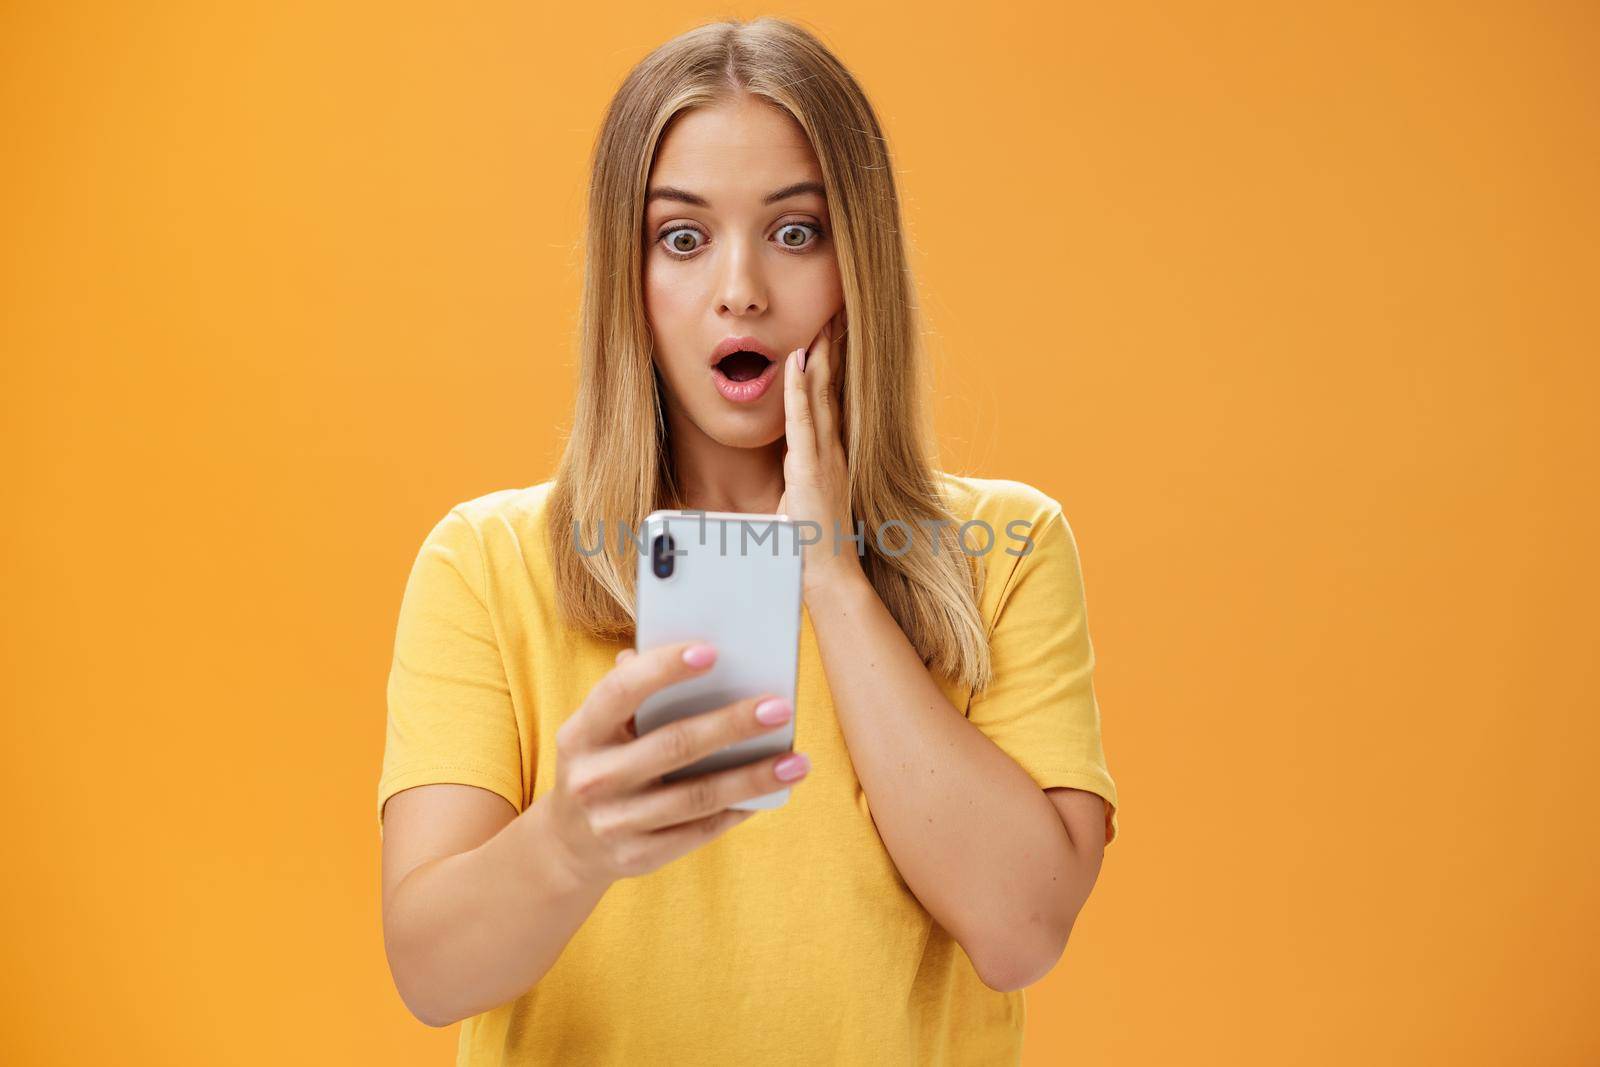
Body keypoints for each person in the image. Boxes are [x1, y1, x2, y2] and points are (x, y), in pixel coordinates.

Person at [377, 16, 1119, 1065]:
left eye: (795, 231)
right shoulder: (485, 564)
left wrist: (830, 570)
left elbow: (1021, 927)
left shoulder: (1007, 547)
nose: (741, 289)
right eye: (682, 237)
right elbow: (432, 972)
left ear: (858, 258)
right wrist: (568, 840)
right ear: (626, 278)